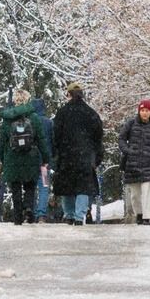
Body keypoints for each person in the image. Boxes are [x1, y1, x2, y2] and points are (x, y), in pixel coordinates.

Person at [50, 83, 104, 225]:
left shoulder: (62, 113)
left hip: (66, 155)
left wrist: (56, 154)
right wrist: (96, 156)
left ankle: (69, 215)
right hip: (85, 156)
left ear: (68, 94)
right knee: (83, 187)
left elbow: (55, 135)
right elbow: (98, 137)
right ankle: (80, 216)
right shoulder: (91, 113)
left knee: (67, 186)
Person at [0, 91, 51, 224]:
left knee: (15, 187)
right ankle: (28, 208)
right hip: (30, 156)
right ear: (28, 100)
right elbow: (41, 139)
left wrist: (1, 158)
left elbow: (2, 141)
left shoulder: (8, 118)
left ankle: (17, 216)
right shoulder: (34, 117)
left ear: (15, 100)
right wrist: (45, 158)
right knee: (30, 186)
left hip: (12, 157)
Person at [117, 100, 150, 225]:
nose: (144, 113)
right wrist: (127, 150)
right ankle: (139, 213)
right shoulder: (131, 124)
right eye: (142, 110)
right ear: (139, 111)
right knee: (135, 193)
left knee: (147, 189)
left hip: (149, 162)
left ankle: (147, 217)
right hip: (132, 163)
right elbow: (121, 138)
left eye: (147, 111)